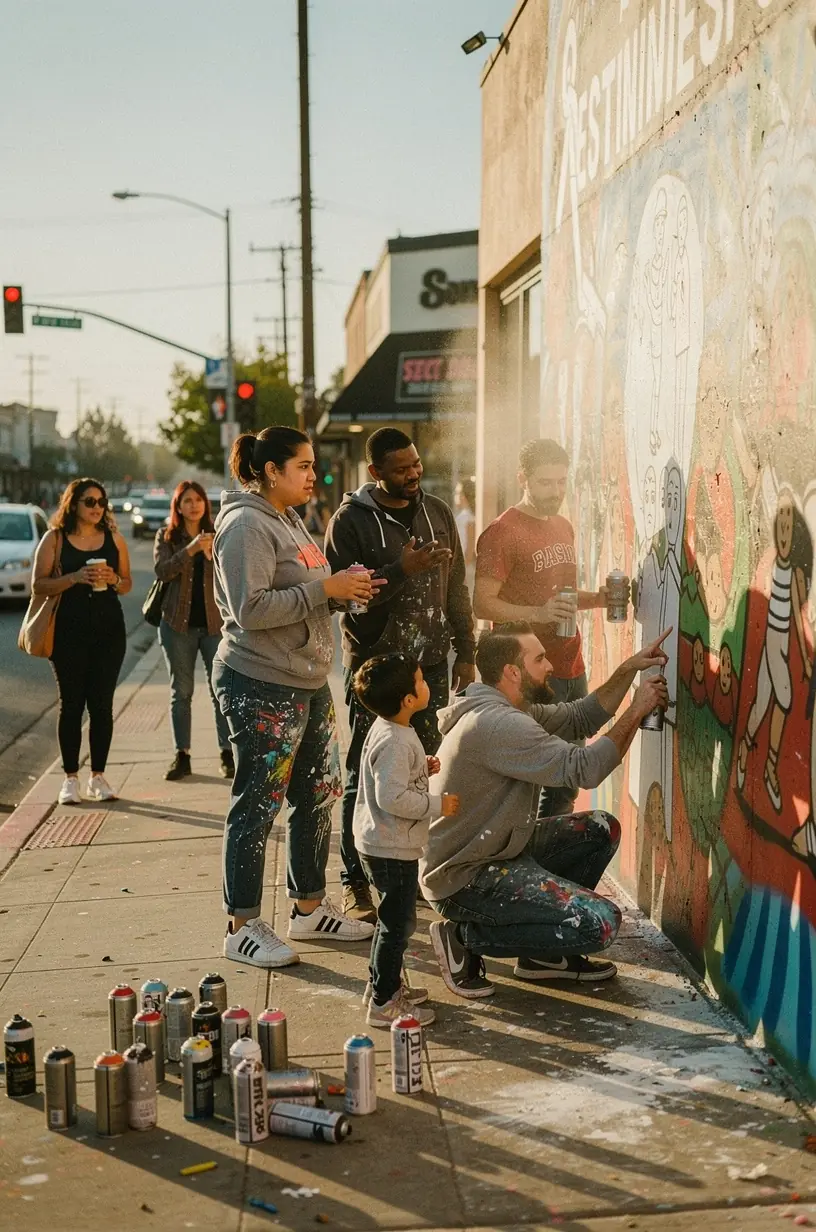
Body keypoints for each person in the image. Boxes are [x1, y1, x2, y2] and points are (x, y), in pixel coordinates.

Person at [422, 621, 669, 998]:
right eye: (539, 659)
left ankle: (543, 958)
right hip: (464, 877)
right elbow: (586, 769)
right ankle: (463, 935)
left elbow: (579, 717)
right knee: (600, 924)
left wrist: (627, 670)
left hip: (500, 850)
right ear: (513, 672)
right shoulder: (499, 724)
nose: (550, 665)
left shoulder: (509, 708)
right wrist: (637, 709)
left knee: (600, 828)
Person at [212, 425, 379, 970]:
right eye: (303, 466)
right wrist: (322, 590)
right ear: (270, 472)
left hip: (304, 681)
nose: (313, 475)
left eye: (311, 465)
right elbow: (248, 610)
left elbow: (303, 595)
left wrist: (341, 591)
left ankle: (308, 908)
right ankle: (241, 926)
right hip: (260, 682)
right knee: (257, 805)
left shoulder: (287, 519)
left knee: (318, 793)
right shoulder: (244, 525)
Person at [325, 427, 476, 924]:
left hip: (428, 666)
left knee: (422, 770)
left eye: (416, 464)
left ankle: (406, 876)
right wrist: (402, 568)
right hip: (376, 672)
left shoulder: (437, 512)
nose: (413, 474)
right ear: (375, 473)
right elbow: (352, 606)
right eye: (401, 469)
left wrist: (466, 650)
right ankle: (355, 882)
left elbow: (455, 587)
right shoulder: (350, 522)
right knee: (364, 776)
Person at [474, 438, 620, 819]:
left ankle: (553, 868)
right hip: (529, 673)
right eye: (545, 482)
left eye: (561, 482)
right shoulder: (501, 532)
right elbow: (482, 602)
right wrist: (537, 612)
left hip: (572, 665)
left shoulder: (562, 525)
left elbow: (562, 597)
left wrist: (600, 599)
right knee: (535, 784)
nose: (555, 491)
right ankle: (532, 869)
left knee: (568, 783)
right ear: (523, 478)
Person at [352, 653, 458, 1029]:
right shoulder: (397, 740)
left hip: (381, 842)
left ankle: (383, 986)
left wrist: (420, 767)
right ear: (408, 700)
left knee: (390, 923)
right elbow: (392, 798)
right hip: (390, 847)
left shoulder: (391, 728)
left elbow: (392, 777)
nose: (427, 683)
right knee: (397, 926)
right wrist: (437, 804)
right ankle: (383, 1003)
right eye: (421, 680)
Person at [31, 478, 133, 806]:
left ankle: (98, 777)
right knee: (72, 704)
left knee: (102, 706)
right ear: (73, 503)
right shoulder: (55, 539)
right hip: (67, 633)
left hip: (109, 633)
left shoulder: (114, 539)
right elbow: (38, 585)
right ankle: (70, 779)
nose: (96, 508)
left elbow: (127, 584)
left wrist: (113, 579)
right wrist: (74, 578)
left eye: (101, 502)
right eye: (89, 501)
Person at [154, 481, 233, 782]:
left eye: (198, 499)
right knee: (181, 692)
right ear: (178, 506)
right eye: (187, 500)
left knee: (220, 691)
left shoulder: (219, 534)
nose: (194, 505)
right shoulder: (167, 536)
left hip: (215, 626)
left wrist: (212, 554)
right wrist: (189, 550)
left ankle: (226, 754)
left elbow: (230, 575)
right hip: (178, 625)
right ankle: (182, 755)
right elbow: (163, 572)